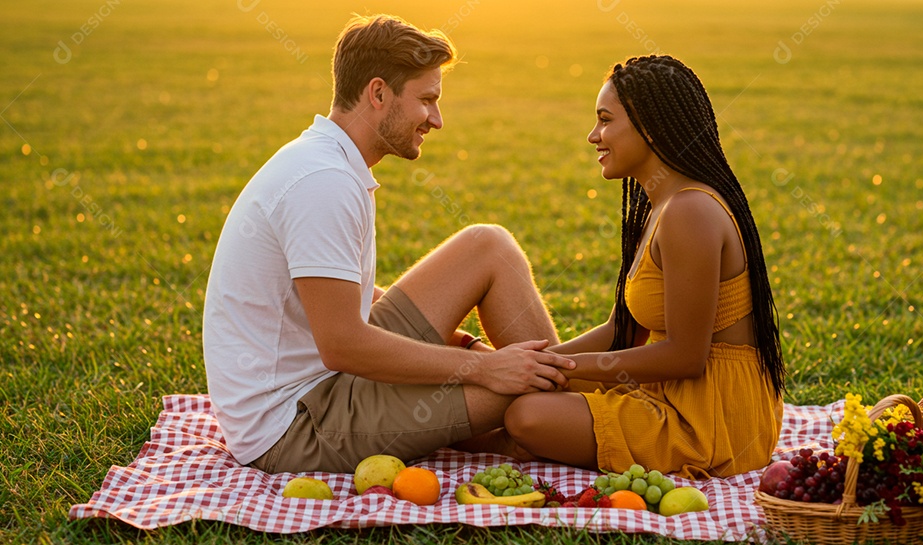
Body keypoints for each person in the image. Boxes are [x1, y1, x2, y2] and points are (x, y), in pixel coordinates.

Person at [202, 14, 574, 475]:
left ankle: (558, 414)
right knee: (522, 393)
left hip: (330, 384)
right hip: (296, 426)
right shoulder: (323, 181)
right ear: (378, 93)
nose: (437, 120)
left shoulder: (327, 160)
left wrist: (463, 345)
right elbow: (342, 345)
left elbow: (342, 295)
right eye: (427, 100)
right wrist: (484, 370)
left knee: (488, 245)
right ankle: (566, 420)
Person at [500, 55, 787, 479]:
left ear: (649, 128)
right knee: (514, 395)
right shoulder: (658, 207)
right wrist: (529, 362)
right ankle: (498, 434)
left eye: (605, 120)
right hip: (667, 393)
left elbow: (686, 357)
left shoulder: (690, 211)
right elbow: (623, 329)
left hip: (710, 420)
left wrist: (561, 372)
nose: (592, 136)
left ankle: (505, 438)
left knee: (526, 415)